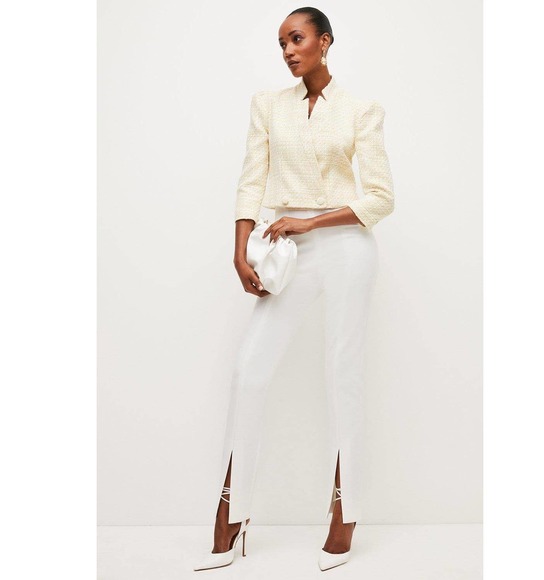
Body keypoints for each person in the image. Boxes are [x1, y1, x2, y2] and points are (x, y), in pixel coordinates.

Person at [194, 6, 394, 572]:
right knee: (250, 370)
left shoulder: (360, 110)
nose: (287, 51)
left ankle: (345, 512)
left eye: (297, 39)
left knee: (342, 373)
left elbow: (380, 197)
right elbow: (251, 179)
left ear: (324, 42)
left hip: (346, 245)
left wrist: (312, 222)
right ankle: (232, 514)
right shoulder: (268, 105)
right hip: (284, 249)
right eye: (281, 42)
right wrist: (239, 249)